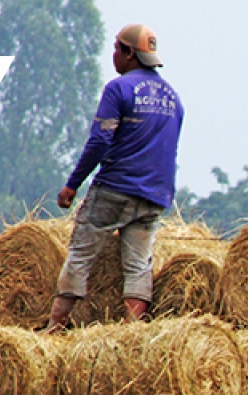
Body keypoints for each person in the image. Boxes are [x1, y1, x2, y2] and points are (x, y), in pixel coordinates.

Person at [43, 23, 184, 333]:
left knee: (81, 252)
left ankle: (55, 326)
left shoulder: (118, 89)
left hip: (116, 188)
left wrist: (72, 184)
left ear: (128, 52)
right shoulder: (173, 98)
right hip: (154, 194)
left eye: (116, 48)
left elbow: (100, 141)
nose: (113, 56)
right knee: (138, 264)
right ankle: (132, 332)